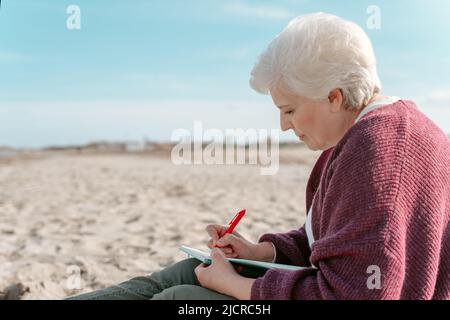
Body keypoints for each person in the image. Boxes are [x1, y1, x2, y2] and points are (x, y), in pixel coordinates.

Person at [66, 12, 450, 300]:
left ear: (333, 96)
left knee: (179, 300)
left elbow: (358, 293)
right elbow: (334, 245)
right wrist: (259, 252)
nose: (284, 125)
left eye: (289, 109)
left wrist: (236, 285)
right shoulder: (362, 133)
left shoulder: (378, 150)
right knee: (190, 270)